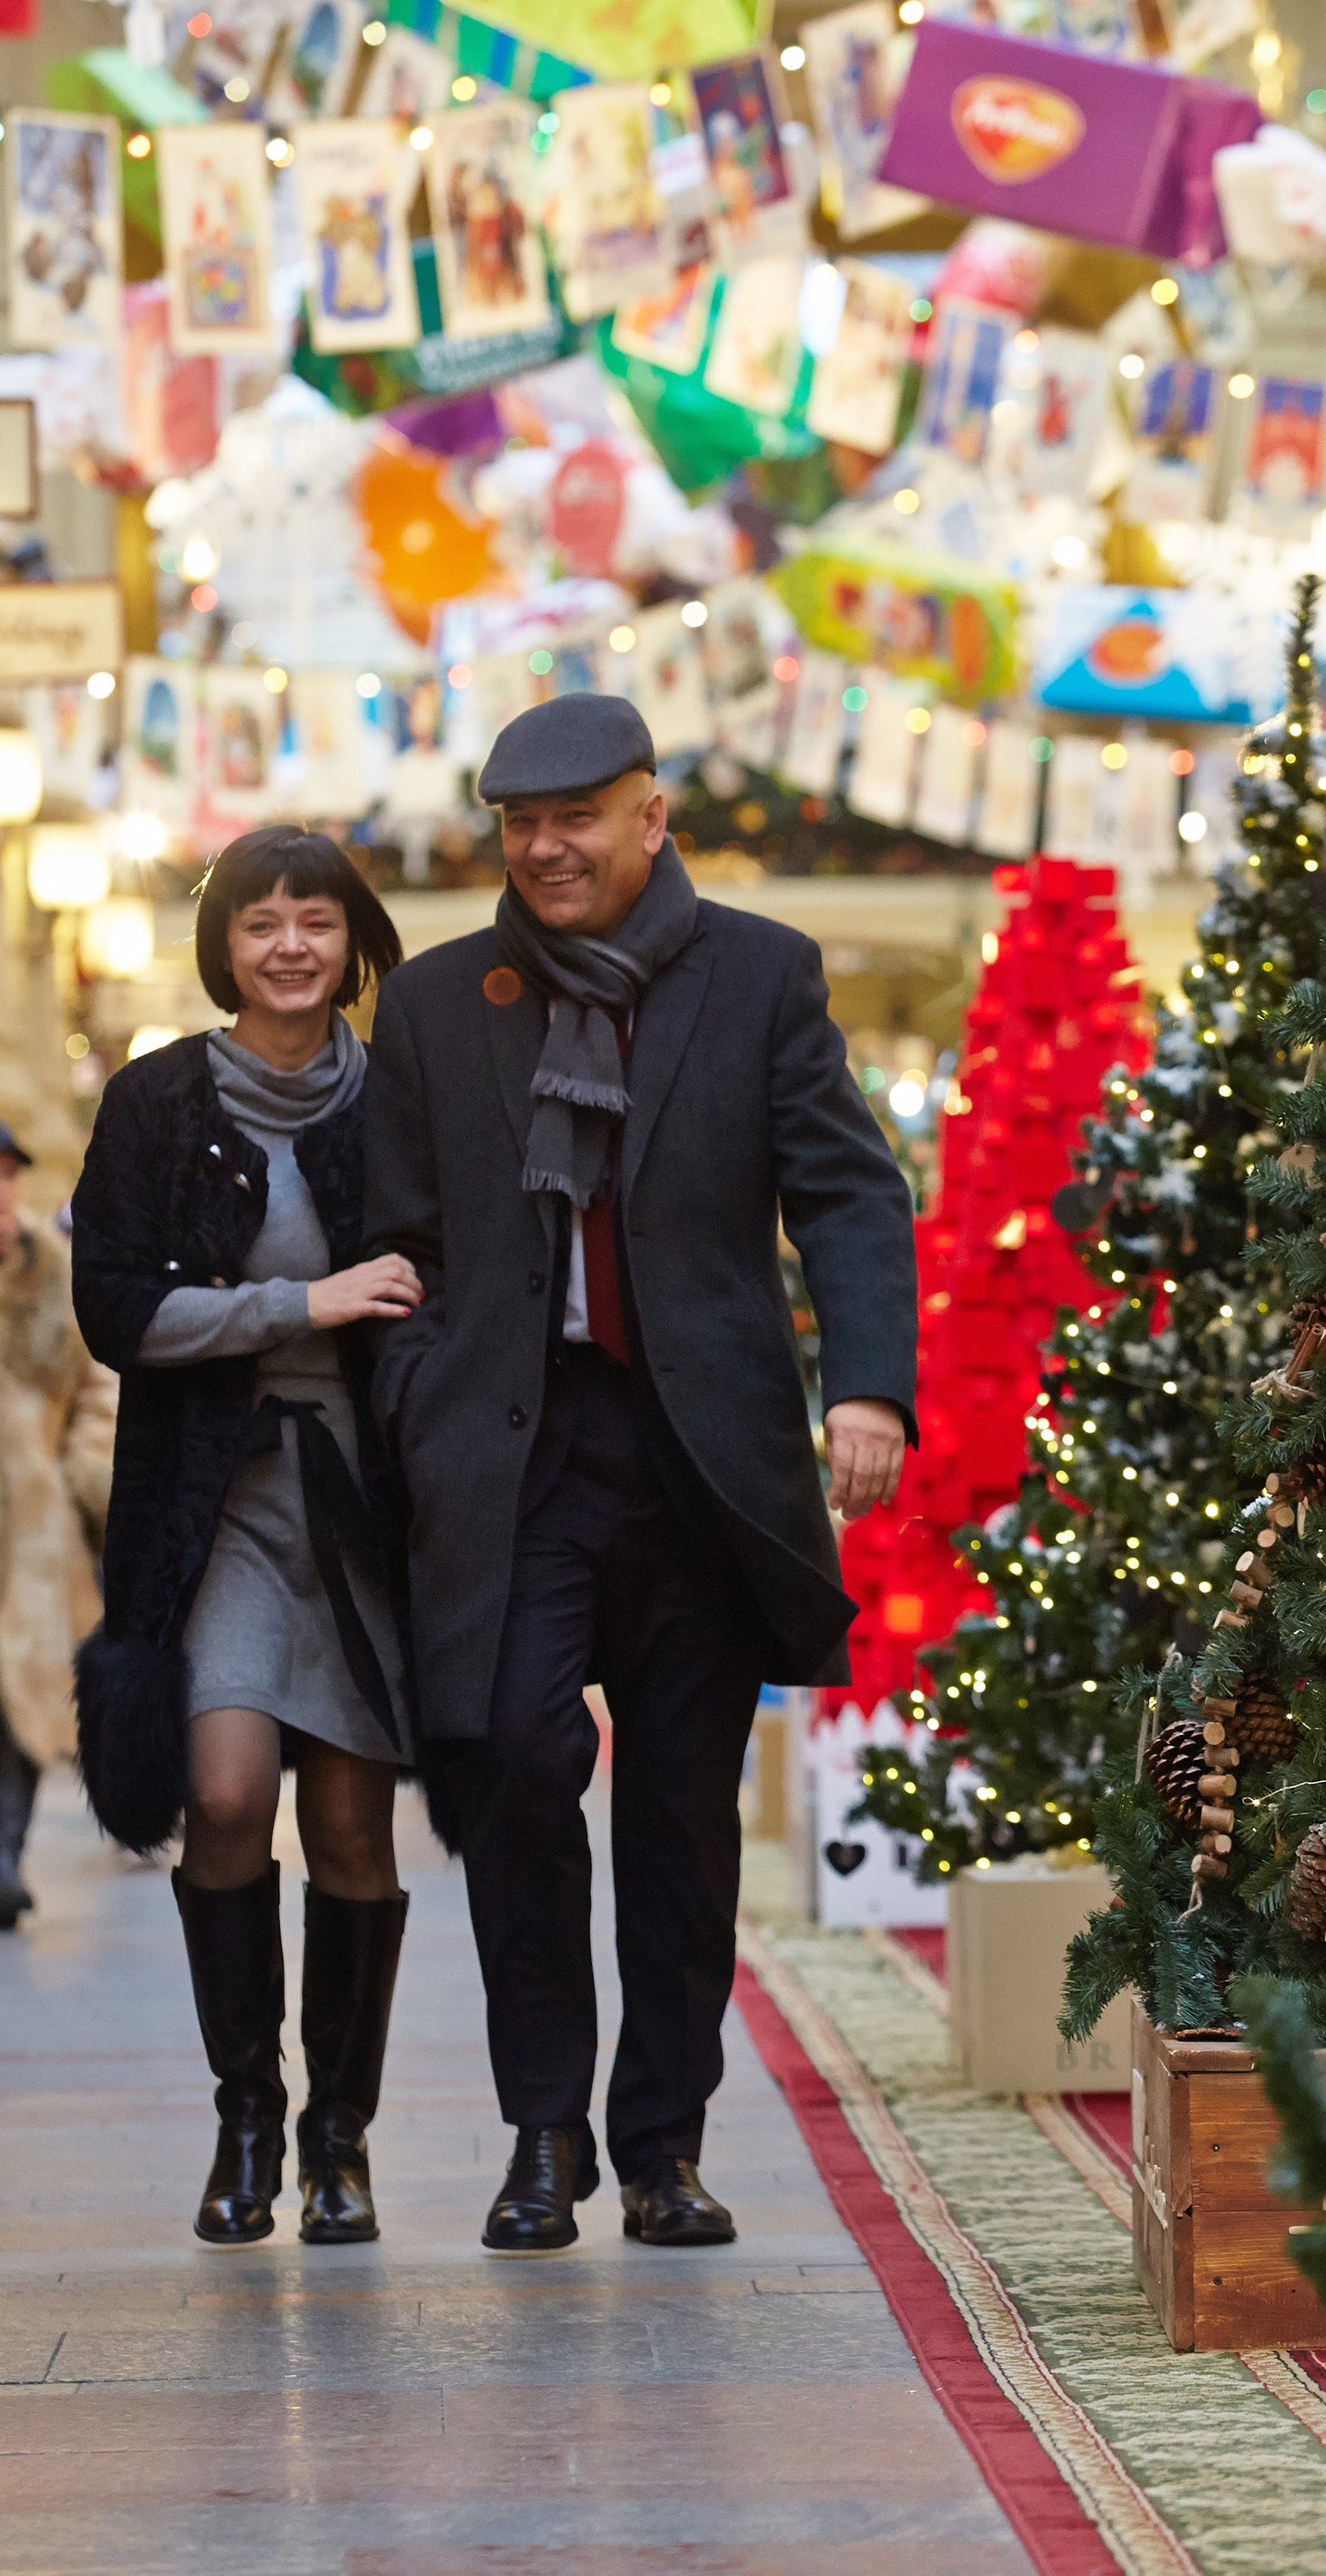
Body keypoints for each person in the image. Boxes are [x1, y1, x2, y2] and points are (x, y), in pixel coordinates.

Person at [364, 696, 916, 2255]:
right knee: (513, 1765)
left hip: (698, 1461)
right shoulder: (437, 1002)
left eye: (577, 819)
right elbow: (399, 1238)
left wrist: (868, 1387)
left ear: (650, 817)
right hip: (510, 1459)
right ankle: (543, 2132)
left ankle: (663, 2146)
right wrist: (419, 1402)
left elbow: (847, 1194)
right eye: (519, 824)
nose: (545, 849)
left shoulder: (759, 975)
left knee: (679, 1817)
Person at [72, 828, 419, 2252]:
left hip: (366, 1506)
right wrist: (303, 1305)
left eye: (315, 922)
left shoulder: (400, 1096)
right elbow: (117, 1313)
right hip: (210, 1500)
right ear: (224, 945)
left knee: (350, 1826)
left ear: (352, 941)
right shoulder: (154, 1101)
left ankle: (341, 2140)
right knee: (221, 1797)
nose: (289, 947)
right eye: (261, 922)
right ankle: (248, 2116)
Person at [0, 1121, 116, 1929]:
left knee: (23, 1705)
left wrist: (83, 1480)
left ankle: (2, 1856)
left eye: (6, 1177)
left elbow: (99, 1386)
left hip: (34, 1538)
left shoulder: (51, 1273)